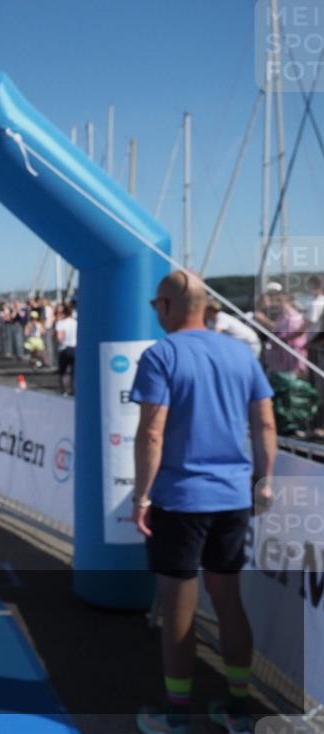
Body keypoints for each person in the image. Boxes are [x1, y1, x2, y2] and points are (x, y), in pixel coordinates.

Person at [132, 271, 276, 734]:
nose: (156, 313)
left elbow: (152, 433)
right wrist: (264, 479)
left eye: (157, 305)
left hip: (181, 499)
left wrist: (141, 495)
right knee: (228, 598)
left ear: (171, 306)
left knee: (178, 603)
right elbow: (265, 427)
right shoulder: (240, 353)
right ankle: (238, 708)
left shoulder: (162, 355)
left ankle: (177, 712)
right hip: (233, 496)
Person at [54, 304, 77, 395]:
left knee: (62, 372)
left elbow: (60, 337)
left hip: (64, 349)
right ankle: (73, 390)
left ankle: (64, 390)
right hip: (75, 348)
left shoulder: (61, 323)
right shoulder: (75, 322)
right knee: (74, 372)